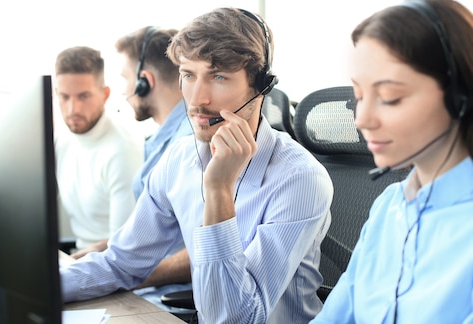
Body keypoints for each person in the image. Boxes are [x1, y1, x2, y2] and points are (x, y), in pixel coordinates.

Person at [60, 8, 333, 323]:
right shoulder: (179, 160)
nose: (197, 98)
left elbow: (234, 318)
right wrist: (38, 286)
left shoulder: (299, 179)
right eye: (189, 75)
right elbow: (121, 263)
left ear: (259, 87)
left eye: (218, 76)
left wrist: (218, 190)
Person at [311, 0, 473, 323]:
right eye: (358, 96)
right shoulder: (389, 206)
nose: (362, 119)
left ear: (460, 96)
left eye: (389, 98)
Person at [115, 26, 194, 313]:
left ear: (144, 82)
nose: (124, 91)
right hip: (147, 293)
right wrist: (95, 253)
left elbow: (202, 250)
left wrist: (126, 277)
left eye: (125, 79)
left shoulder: (189, 143)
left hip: (169, 301)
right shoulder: (162, 140)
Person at [54, 46, 143, 259]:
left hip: (112, 268)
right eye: (64, 97)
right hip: (80, 258)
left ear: (105, 95)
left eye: (83, 96)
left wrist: (72, 264)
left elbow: (124, 247)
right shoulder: (62, 139)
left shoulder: (122, 150)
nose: (72, 109)